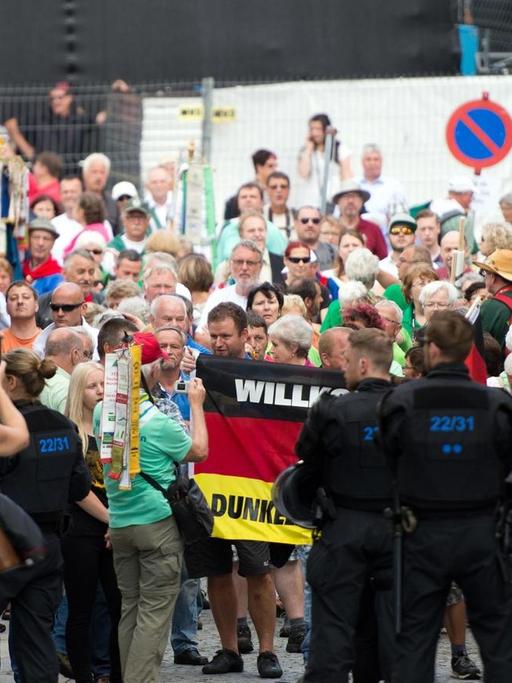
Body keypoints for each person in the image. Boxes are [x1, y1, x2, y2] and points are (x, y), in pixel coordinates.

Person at [379, 311, 512, 683]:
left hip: (422, 531)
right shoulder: (496, 403)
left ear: (433, 350)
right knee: (499, 642)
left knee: (415, 640)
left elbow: (386, 463)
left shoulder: (402, 400)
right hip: (481, 531)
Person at [93, 333, 208, 683]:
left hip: (122, 521)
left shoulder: (103, 411)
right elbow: (198, 451)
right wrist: (197, 404)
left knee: (131, 608)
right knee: (154, 614)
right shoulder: (157, 421)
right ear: (153, 367)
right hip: (157, 523)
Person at [185, 302, 283, 678]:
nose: (220, 343)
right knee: (218, 572)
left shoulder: (269, 375)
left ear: (246, 335)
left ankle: (268, 652)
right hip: (209, 485)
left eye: (227, 336)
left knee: (259, 572)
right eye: (214, 336)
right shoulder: (201, 373)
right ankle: (229, 649)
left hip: (252, 489)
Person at [0, 348, 106, 682]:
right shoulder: (64, 426)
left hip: (6, 545)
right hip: (48, 546)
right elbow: (78, 488)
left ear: (11, 382)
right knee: (37, 639)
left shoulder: (8, 432)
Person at [295, 328, 394, 683]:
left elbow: (305, 460)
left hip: (344, 531)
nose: (344, 370)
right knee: (394, 637)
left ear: (364, 364)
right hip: (397, 534)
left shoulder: (333, 410)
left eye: (349, 362)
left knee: (332, 636)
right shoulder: (412, 407)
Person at [63, 361, 122, 683]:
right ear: (78, 390)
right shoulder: (70, 431)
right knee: (81, 608)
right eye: (92, 386)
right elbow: (77, 490)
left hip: (114, 529)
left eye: (104, 385)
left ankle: (115, 672)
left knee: (118, 607)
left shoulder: (114, 428)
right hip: (82, 531)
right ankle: (84, 675)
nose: (100, 391)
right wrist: (111, 519)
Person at [197, 241, 263, 333]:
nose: (244, 267)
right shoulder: (218, 297)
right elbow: (200, 335)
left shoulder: (270, 298)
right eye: (239, 262)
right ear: (231, 264)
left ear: (260, 266)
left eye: (250, 263)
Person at [297, 113, 352, 208]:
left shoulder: (339, 148)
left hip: (333, 201)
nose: (315, 133)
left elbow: (346, 176)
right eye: (312, 129)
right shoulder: (306, 150)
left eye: (318, 129)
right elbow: (304, 173)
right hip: (312, 202)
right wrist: (308, 150)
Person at [357, 143, 408, 228]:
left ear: (381, 162)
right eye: (368, 159)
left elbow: (402, 217)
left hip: (385, 234)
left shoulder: (393, 185)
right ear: (362, 162)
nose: (372, 163)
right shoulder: (354, 184)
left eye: (376, 159)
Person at [333, 181, 388, 260]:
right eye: (346, 197)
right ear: (338, 201)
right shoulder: (330, 228)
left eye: (354, 197)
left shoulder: (373, 229)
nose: (350, 201)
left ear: (362, 201)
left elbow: (383, 260)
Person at [39, 327, 84, 413]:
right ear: (75, 354)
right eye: (83, 354)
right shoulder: (67, 388)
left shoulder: (31, 377)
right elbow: (70, 425)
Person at [474, 249, 512, 350]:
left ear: (493, 277)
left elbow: (478, 344)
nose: (484, 277)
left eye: (485, 273)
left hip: (499, 365)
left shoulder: (491, 306)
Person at [22, 218, 64, 295]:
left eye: (46, 239)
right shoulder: (20, 269)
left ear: (53, 243)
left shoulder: (57, 277)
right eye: (36, 237)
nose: (41, 243)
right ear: (28, 240)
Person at [64, 191, 112, 258]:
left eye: (75, 207)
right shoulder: (99, 229)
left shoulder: (90, 236)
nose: (72, 210)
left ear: (81, 211)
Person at [81, 153, 119, 233]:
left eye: (102, 172)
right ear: (85, 174)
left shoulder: (113, 204)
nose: (99, 177)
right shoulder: (77, 201)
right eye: (94, 172)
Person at [1, 281, 41, 352]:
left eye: (26, 297)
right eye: (13, 298)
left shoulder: (46, 339)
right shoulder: (1, 339)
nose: (20, 301)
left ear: (36, 305)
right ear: (6, 307)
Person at [52, 176, 84, 264]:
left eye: (73, 192)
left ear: (82, 193)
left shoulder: (95, 223)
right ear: (60, 195)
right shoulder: (53, 224)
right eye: (65, 192)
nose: (69, 195)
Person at [294, 206, 336, 271]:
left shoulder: (335, 252)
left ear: (321, 224)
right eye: (305, 220)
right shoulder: (284, 254)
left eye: (315, 221)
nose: (310, 224)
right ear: (296, 224)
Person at [378, 213, 417, 279]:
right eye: (395, 231)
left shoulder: (429, 266)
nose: (401, 234)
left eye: (407, 230)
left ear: (415, 236)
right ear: (388, 236)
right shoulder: (379, 268)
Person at [264, 172, 295, 240]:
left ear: (289, 190)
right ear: (267, 190)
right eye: (274, 187)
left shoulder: (297, 217)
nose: (279, 190)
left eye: (283, 187)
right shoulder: (259, 216)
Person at [145, 165, 174, 231]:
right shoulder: (143, 208)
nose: (159, 185)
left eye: (162, 181)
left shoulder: (179, 204)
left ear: (169, 184)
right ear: (147, 186)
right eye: (154, 182)